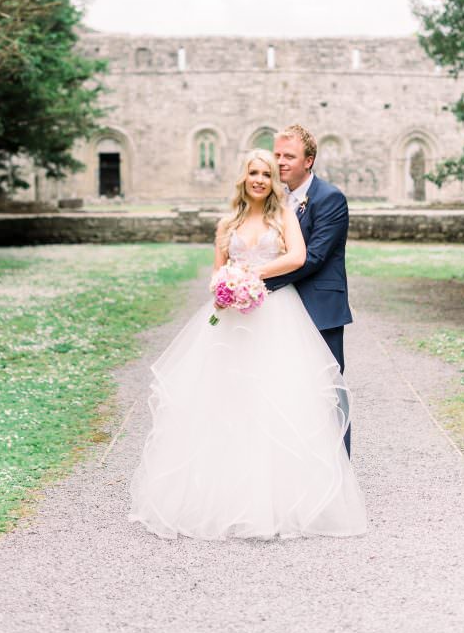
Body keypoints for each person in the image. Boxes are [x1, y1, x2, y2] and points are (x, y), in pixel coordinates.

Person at [128, 149, 366, 540]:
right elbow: (217, 271)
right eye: (253, 172)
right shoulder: (227, 224)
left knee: (276, 398)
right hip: (232, 320)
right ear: (244, 177)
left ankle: (282, 502)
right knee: (228, 399)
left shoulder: (284, 216)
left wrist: (252, 274)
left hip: (276, 313)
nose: (259, 179)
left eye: (267, 174)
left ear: (273, 181)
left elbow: (298, 256)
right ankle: (223, 499)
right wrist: (224, 288)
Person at [266, 125, 353, 456]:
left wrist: (259, 283)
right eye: (277, 154)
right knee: (286, 392)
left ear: (309, 160)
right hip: (279, 311)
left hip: (319, 309)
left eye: (289, 156)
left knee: (328, 392)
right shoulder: (272, 199)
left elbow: (314, 257)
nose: (280, 161)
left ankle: (339, 468)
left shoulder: (330, 198)